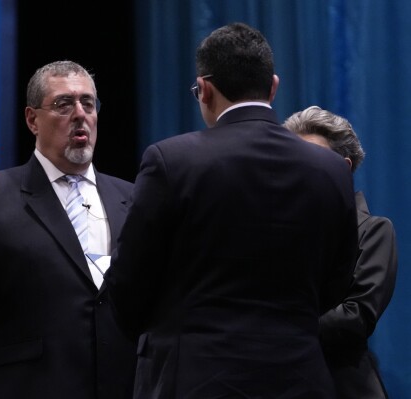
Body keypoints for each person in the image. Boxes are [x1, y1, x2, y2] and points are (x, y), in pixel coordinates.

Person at [104, 22, 359, 398]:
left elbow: (128, 285)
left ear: (204, 89)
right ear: (273, 86)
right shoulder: (333, 169)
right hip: (301, 379)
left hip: (198, 379)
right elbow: (338, 279)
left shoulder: (171, 160)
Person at [0, 60, 136, 399]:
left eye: (88, 103)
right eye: (64, 104)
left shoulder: (131, 197)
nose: (80, 114)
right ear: (32, 119)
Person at [284, 105, 398, 398]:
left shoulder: (373, 230)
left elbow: (355, 317)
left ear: (343, 168)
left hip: (343, 386)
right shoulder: (276, 228)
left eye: (311, 159)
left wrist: (280, 331)